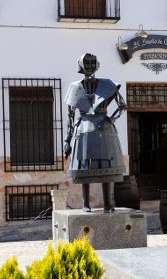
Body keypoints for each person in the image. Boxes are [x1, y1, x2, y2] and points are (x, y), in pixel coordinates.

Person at [63, 53, 127, 212]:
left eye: (92, 63)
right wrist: (67, 140)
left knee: (107, 167)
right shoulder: (74, 87)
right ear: (81, 66)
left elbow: (122, 105)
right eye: (87, 63)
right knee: (84, 166)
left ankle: (108, 204)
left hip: (103, 127)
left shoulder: (108, 84)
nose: (90, 66)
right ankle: (86, 204)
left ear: (96, 65)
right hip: (83, 127)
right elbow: (70, 116)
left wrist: (110, 120)